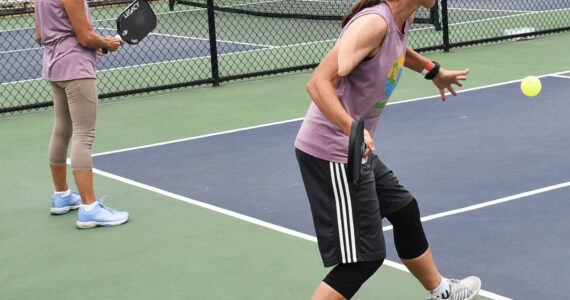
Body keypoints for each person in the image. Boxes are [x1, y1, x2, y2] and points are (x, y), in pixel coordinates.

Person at [295, 0, 481, 299]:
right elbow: (318, 83)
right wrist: (352, 130)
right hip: (331, 151)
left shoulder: (400, 19)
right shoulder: (373, 23)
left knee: (404, 210)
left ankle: (443, 292)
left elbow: (394, 51)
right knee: (364, 259)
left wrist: (433, 71)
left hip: (354, 148)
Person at [35, 0, 129, 228]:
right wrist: (106, 42)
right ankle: (89, 208)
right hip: (75, 68)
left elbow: (41, 36)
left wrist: (95, 43)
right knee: (84, 135)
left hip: (54, 67)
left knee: (62, 129)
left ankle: (62, 196)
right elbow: (85, 37)